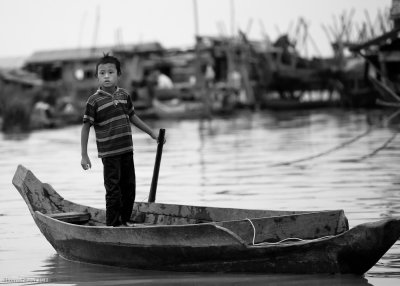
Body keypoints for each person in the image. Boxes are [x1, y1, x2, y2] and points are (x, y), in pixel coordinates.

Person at [80, 53, 161, 227]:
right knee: (113, 190)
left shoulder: (124, 95)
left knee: (129, 188)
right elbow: (86, 127)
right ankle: (113, 225)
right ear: (97, 77)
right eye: (102, 73)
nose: (106, 76)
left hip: (126, 150)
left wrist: (151, 133)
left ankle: (124, 221)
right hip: (109, 154)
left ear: (118, 75)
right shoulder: (94, 101)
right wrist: (84, 155)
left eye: (111, 72)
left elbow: (133, 117)